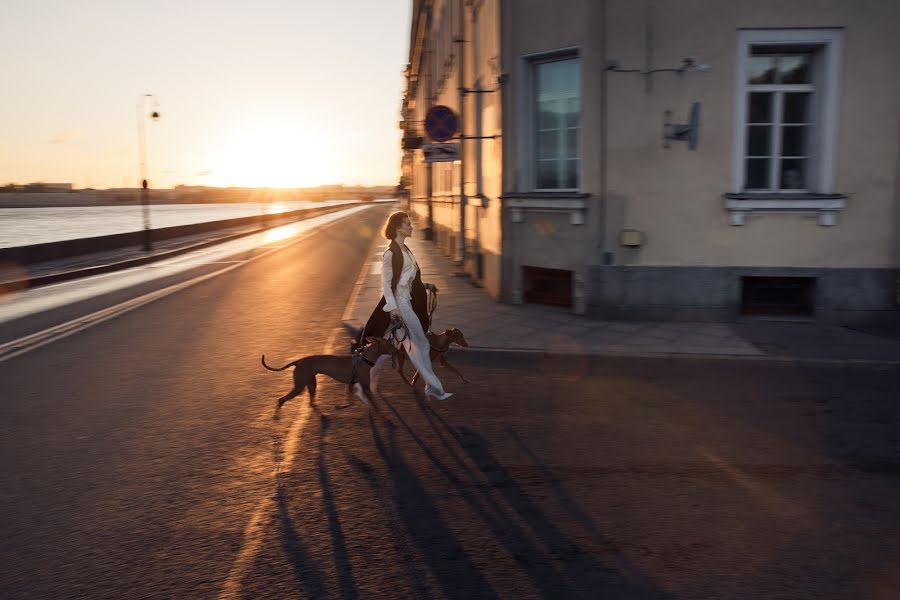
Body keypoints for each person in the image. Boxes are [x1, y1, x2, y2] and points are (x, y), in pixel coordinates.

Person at [357, 211, 453, 401]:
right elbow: (386, 284)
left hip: (406, 302)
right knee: (419, 345)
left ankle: (363, 386)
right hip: (399, 306)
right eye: (408, 224)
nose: (412, 226)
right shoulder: (390, 253)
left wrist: (425, 286)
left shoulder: (406, 251)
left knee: (389, 349)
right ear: (398, 228)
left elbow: (409, 279)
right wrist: (393, 309)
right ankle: (433, 388)